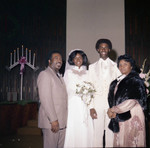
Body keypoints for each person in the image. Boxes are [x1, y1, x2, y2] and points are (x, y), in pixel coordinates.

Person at [107, 54, 147, 147]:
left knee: (131, 140)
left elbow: (131, 101)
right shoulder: (116, 81)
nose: (122, 67)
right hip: (119, 114)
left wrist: (113, 109)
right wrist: (112, 110)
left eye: (125, 64)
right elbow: (111, 98)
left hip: (132, 114)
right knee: (121, 140)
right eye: (120, 65)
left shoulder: (135, 80)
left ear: (131, 66)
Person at [88, 38, 121, 147]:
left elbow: (119, 88)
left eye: (105, 47)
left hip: (110, 105)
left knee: (110, 133)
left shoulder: (116, 66)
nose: (103, 49)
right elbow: (89, 88)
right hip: (97, 104)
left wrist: (116, 107)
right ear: (97, 50)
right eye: (101, 47)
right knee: (97, 134)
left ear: (109, 49)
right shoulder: (91, 67)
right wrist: (91, 107)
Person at [37, 50, 68, 148]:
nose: (59, 60)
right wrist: (53, 120)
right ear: (49, 61)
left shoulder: (59, 77)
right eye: (56, 58)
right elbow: (46, 99)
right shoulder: (45, 74)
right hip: (52, 123)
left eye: (60, 59)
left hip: (62, 122)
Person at [64, 49, 93, 147]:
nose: (78, 59)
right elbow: (66, 88)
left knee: (85, 126)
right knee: (74, 126)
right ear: (72, 60)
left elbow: (91, 88)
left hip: (85, 103)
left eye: (80, 57)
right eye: (75, 58)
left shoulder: (88, 72)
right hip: (73, 103)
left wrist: (87, 94)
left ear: (83, 59)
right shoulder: (68, 73)